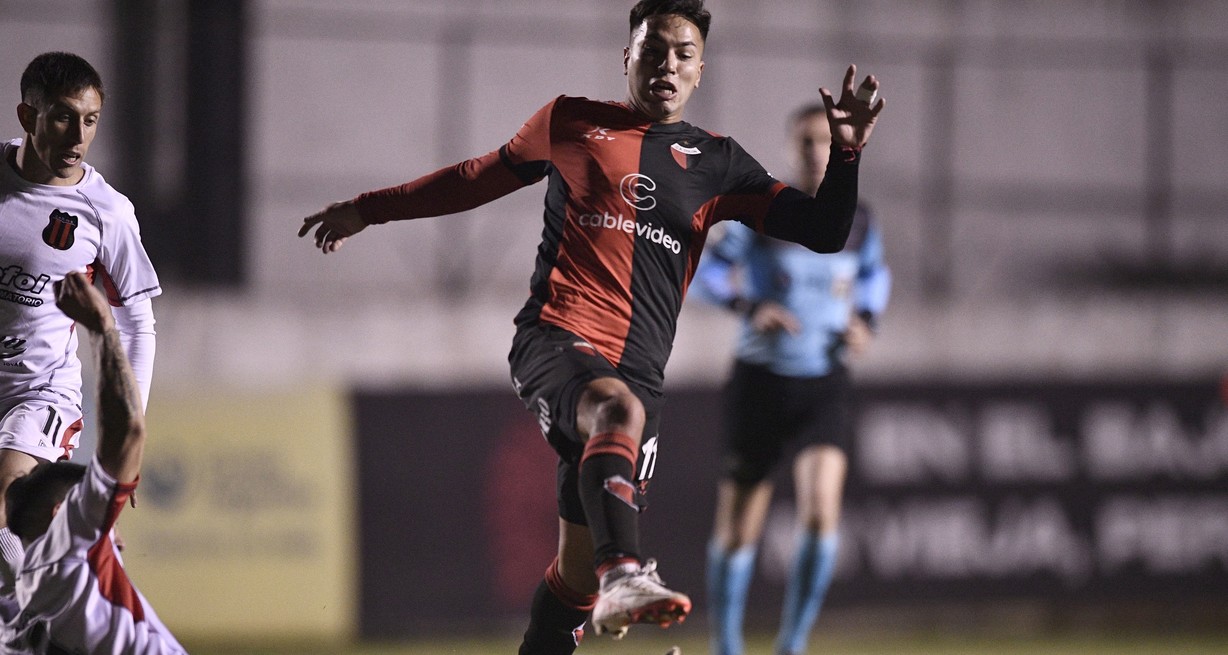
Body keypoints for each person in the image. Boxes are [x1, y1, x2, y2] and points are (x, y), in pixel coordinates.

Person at [298, 0, 883, 650]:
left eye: (683, 54)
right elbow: (471, 179)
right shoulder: (570, 122)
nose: (667, 65)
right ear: (627, 56)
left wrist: (848, 152)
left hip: (639, 377)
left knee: (574, 580)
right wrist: (367, 210)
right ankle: (625, 574)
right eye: (653, 50)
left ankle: (598, 586)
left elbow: (825, 230)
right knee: (614, 419)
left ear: (701, 70)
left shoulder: (719, 163)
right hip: (555, 339)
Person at [693, 104, 891, 655]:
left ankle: (792, 645)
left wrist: (866, 321)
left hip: (824, 382)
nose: (815, 151)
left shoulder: (858, 220)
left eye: (824, 141)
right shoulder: (767, 211)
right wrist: (749, 306)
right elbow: (706, 272)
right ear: (789, 148)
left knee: (822, 513)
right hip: (761, 382)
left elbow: (874, 277)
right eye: (804, 141)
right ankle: (726, 645)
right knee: (739, 529)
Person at [0, 52, 161, 591]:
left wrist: (127, 434)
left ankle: (57, 615)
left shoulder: (106, 211)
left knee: (4, 505)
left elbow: (137, 325)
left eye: (90, 120)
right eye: (63, 118)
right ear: (28, 116)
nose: (78, 136)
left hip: (39, 392)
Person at [0, 271, 185, 654]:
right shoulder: (68, 560)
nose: (111, 526)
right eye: (89, 506)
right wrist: (101, 329)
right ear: (60, 517)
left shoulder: (21, 619)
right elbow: (129, 431)